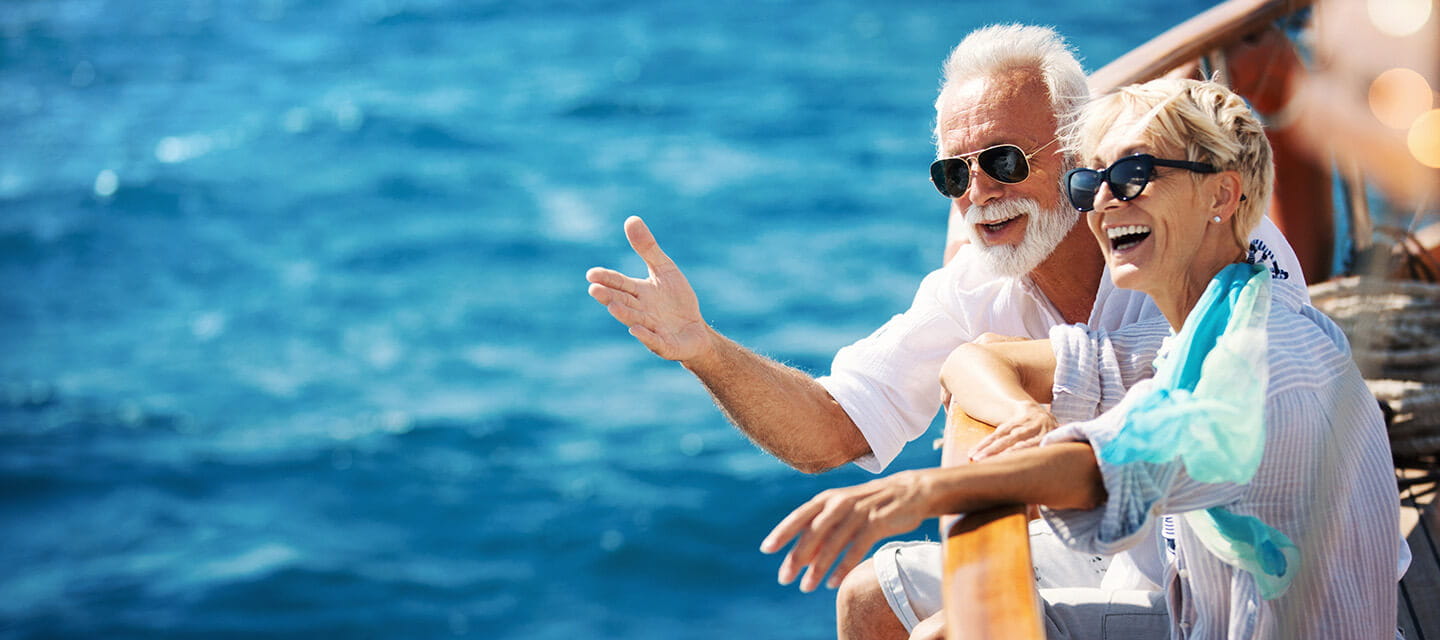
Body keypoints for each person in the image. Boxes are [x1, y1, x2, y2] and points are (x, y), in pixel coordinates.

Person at [586, 24, 1308, 639]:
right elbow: (833, 426)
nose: (977, 195)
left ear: (1081, 154)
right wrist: (703, 349)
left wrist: (933, 486)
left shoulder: (1207, 249)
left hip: (1240, 579)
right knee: (870, 598)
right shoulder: (974, 286)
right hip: (1109, 551)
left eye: (1002, 162)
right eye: (952, 175)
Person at [761, 77, 1402, 639]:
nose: (1103, 201)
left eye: (1134, 176)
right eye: (1091, 181)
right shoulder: (1202, 324)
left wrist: (918, 491)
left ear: (1221, 196)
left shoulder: (1264, 366)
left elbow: (1105, 472)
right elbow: (976, 359)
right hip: (1199, 614)